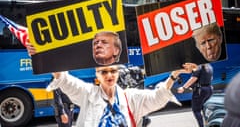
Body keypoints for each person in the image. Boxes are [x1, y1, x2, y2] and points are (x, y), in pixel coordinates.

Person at [27, 41, 187, 127]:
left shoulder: (132, 98)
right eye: (104, 72)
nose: (109, 75)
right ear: (97, 75)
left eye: (113, 71)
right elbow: (64, 79)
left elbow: (158, 97)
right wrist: (43, 55)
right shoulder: (88, 95)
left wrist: (174, 75)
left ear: (118, 72)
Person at [177, 63, 213, 127]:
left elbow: (193, 79)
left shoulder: (198, 67)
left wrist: (183, 87)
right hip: (209, 89)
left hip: (200, 91)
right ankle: (209, 123)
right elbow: (211, 78)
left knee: (196, 110)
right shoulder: (209, 66)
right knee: (204, 108)